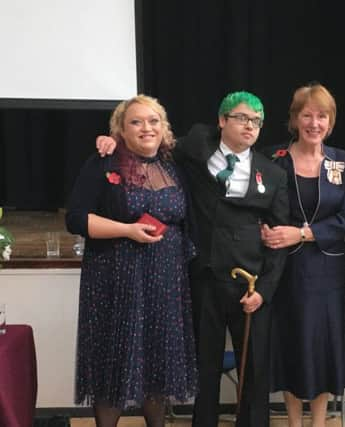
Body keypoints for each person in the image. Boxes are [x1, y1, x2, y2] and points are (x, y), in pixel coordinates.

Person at [96, 91, 290, 427]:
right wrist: (112, 141)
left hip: (251, 285)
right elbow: (147, 140)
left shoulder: (272, 174)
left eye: (256, 121)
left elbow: (278, 237)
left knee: (255, 370)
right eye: (242, 118)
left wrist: (266, 289)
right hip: (203, 279)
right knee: (205, 368)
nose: (249, 126)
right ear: (222, 120)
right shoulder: (194, 148)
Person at [66, 94, 198, 427]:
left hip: (165, 281)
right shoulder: (103, 163)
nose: (146, 128)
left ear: (164, 127)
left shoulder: (173, 165)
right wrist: (126, 230)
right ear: (120, 130)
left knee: (158, 365)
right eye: (135, 122)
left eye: (153, 121)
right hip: (115, 280)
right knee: (114, 364)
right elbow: (76, 219)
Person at [261, 83, 345, 427]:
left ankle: (317, 423)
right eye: (307, 115)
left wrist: (301, 233)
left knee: (320, 350)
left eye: (322, 115)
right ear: (294, 119)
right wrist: (265, 230)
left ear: (330, 122)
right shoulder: (273, 158)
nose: (314, 122)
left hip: (326, 272)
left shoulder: (343, 162)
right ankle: (293, 422)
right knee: (290, 346)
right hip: (283, 271)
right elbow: (259, 206)